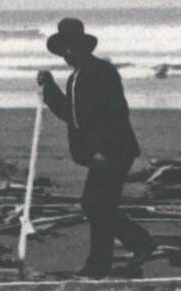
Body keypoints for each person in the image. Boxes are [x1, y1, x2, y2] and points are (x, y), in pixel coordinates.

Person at [37, 17, 156, 277]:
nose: (68, 53)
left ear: (83, 46)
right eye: (64, 49)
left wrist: (104, 149)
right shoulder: (75, 77)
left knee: (96, 205)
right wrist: (49, 88)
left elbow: (116, 113)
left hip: (114, 151)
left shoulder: (102, 71)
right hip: (101, 154)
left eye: (72, 47)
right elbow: (72, 114)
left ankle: (110, 259)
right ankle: (122, 253)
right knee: (99, 206)